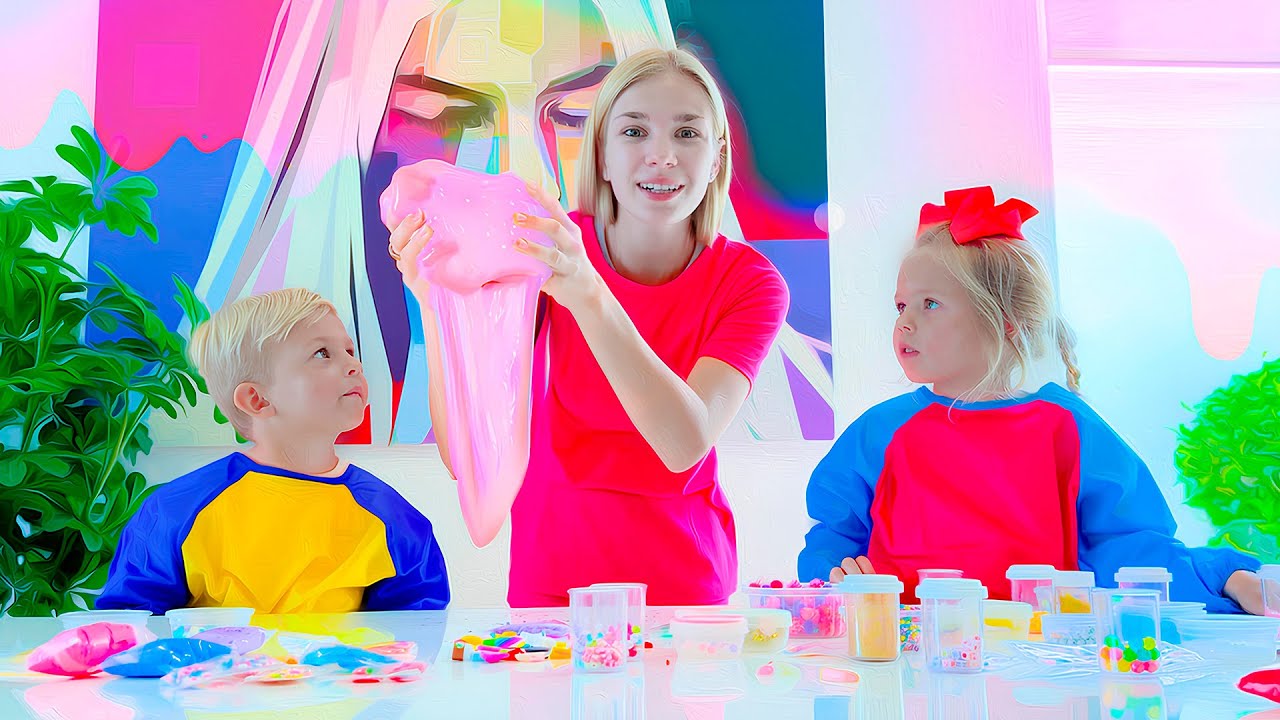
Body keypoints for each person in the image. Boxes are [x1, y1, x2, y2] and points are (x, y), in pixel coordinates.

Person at [389, 48, 789, 606]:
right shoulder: (545, 250)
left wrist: (589, 296)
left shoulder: (748, 284)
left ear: (717, 155)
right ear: (601, 154)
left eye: (687, 134)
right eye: (634, 132)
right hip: (552, 589)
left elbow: (683, 443)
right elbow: (468, 455)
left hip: (685, 595)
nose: (662, 156)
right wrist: (437, 306)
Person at [796, 187, 1262, 613]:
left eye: (930, 304)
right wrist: (834, 574)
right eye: (901, 306)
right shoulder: (880, 432)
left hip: (1037, 662)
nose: (905, 323)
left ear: (1004, 320)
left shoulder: (1067, 428)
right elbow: (835, 535)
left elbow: (1130, 548)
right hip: (906, 656)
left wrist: (1226, 577)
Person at [98, 288, 450, 613]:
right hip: (216, 680)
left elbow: (416, 641)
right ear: (257, 398)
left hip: (338, 680)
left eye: (349, 351)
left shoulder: (393, 519)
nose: (354, 365)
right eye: (322, 353)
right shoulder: (175, 511)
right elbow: (131, 630)